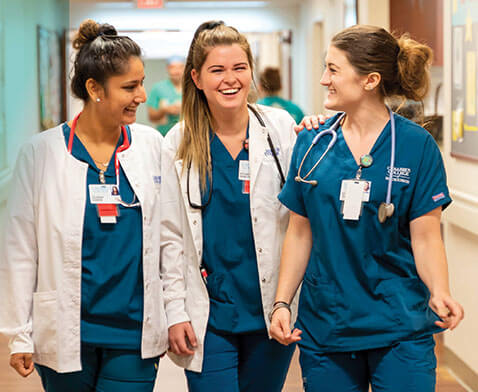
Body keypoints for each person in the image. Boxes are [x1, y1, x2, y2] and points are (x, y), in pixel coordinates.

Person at [270, 25, 464, 392]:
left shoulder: (415, 145)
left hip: (400, 324)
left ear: (370, 80)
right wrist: (282, 302)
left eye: (333, 69)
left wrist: (439, 290)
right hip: (328, 324)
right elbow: (299, 231)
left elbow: (426, 237)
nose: (324, 79)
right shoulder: (312, 143)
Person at [0, 19, 167, 392]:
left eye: (141, 84)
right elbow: (20, 250)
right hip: (65, 331)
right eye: (130, 86)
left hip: (134, 332)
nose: (142, 95)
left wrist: (176, 313)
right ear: (95, 89)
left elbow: (168, 240)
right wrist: (18, 333)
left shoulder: (150, 145)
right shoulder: (41, 153)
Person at [160, 21, 299, 392]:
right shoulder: (179, 141)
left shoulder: (279, 128)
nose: (230, 79)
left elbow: (302, 214)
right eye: (217, 70)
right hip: (208, 313)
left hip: (271, 308)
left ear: (251, 72)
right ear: (197, 77)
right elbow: (170, 236)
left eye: (239, 68)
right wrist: (174, 310)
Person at [147, 55, 184, 136]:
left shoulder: (191, 88)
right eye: (173, 67)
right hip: (164, 135)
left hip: (187, 136)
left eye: (180, 67)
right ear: (168, 68)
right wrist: (164, 110)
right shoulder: (158, 88)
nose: (176, 71)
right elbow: (151, 117)